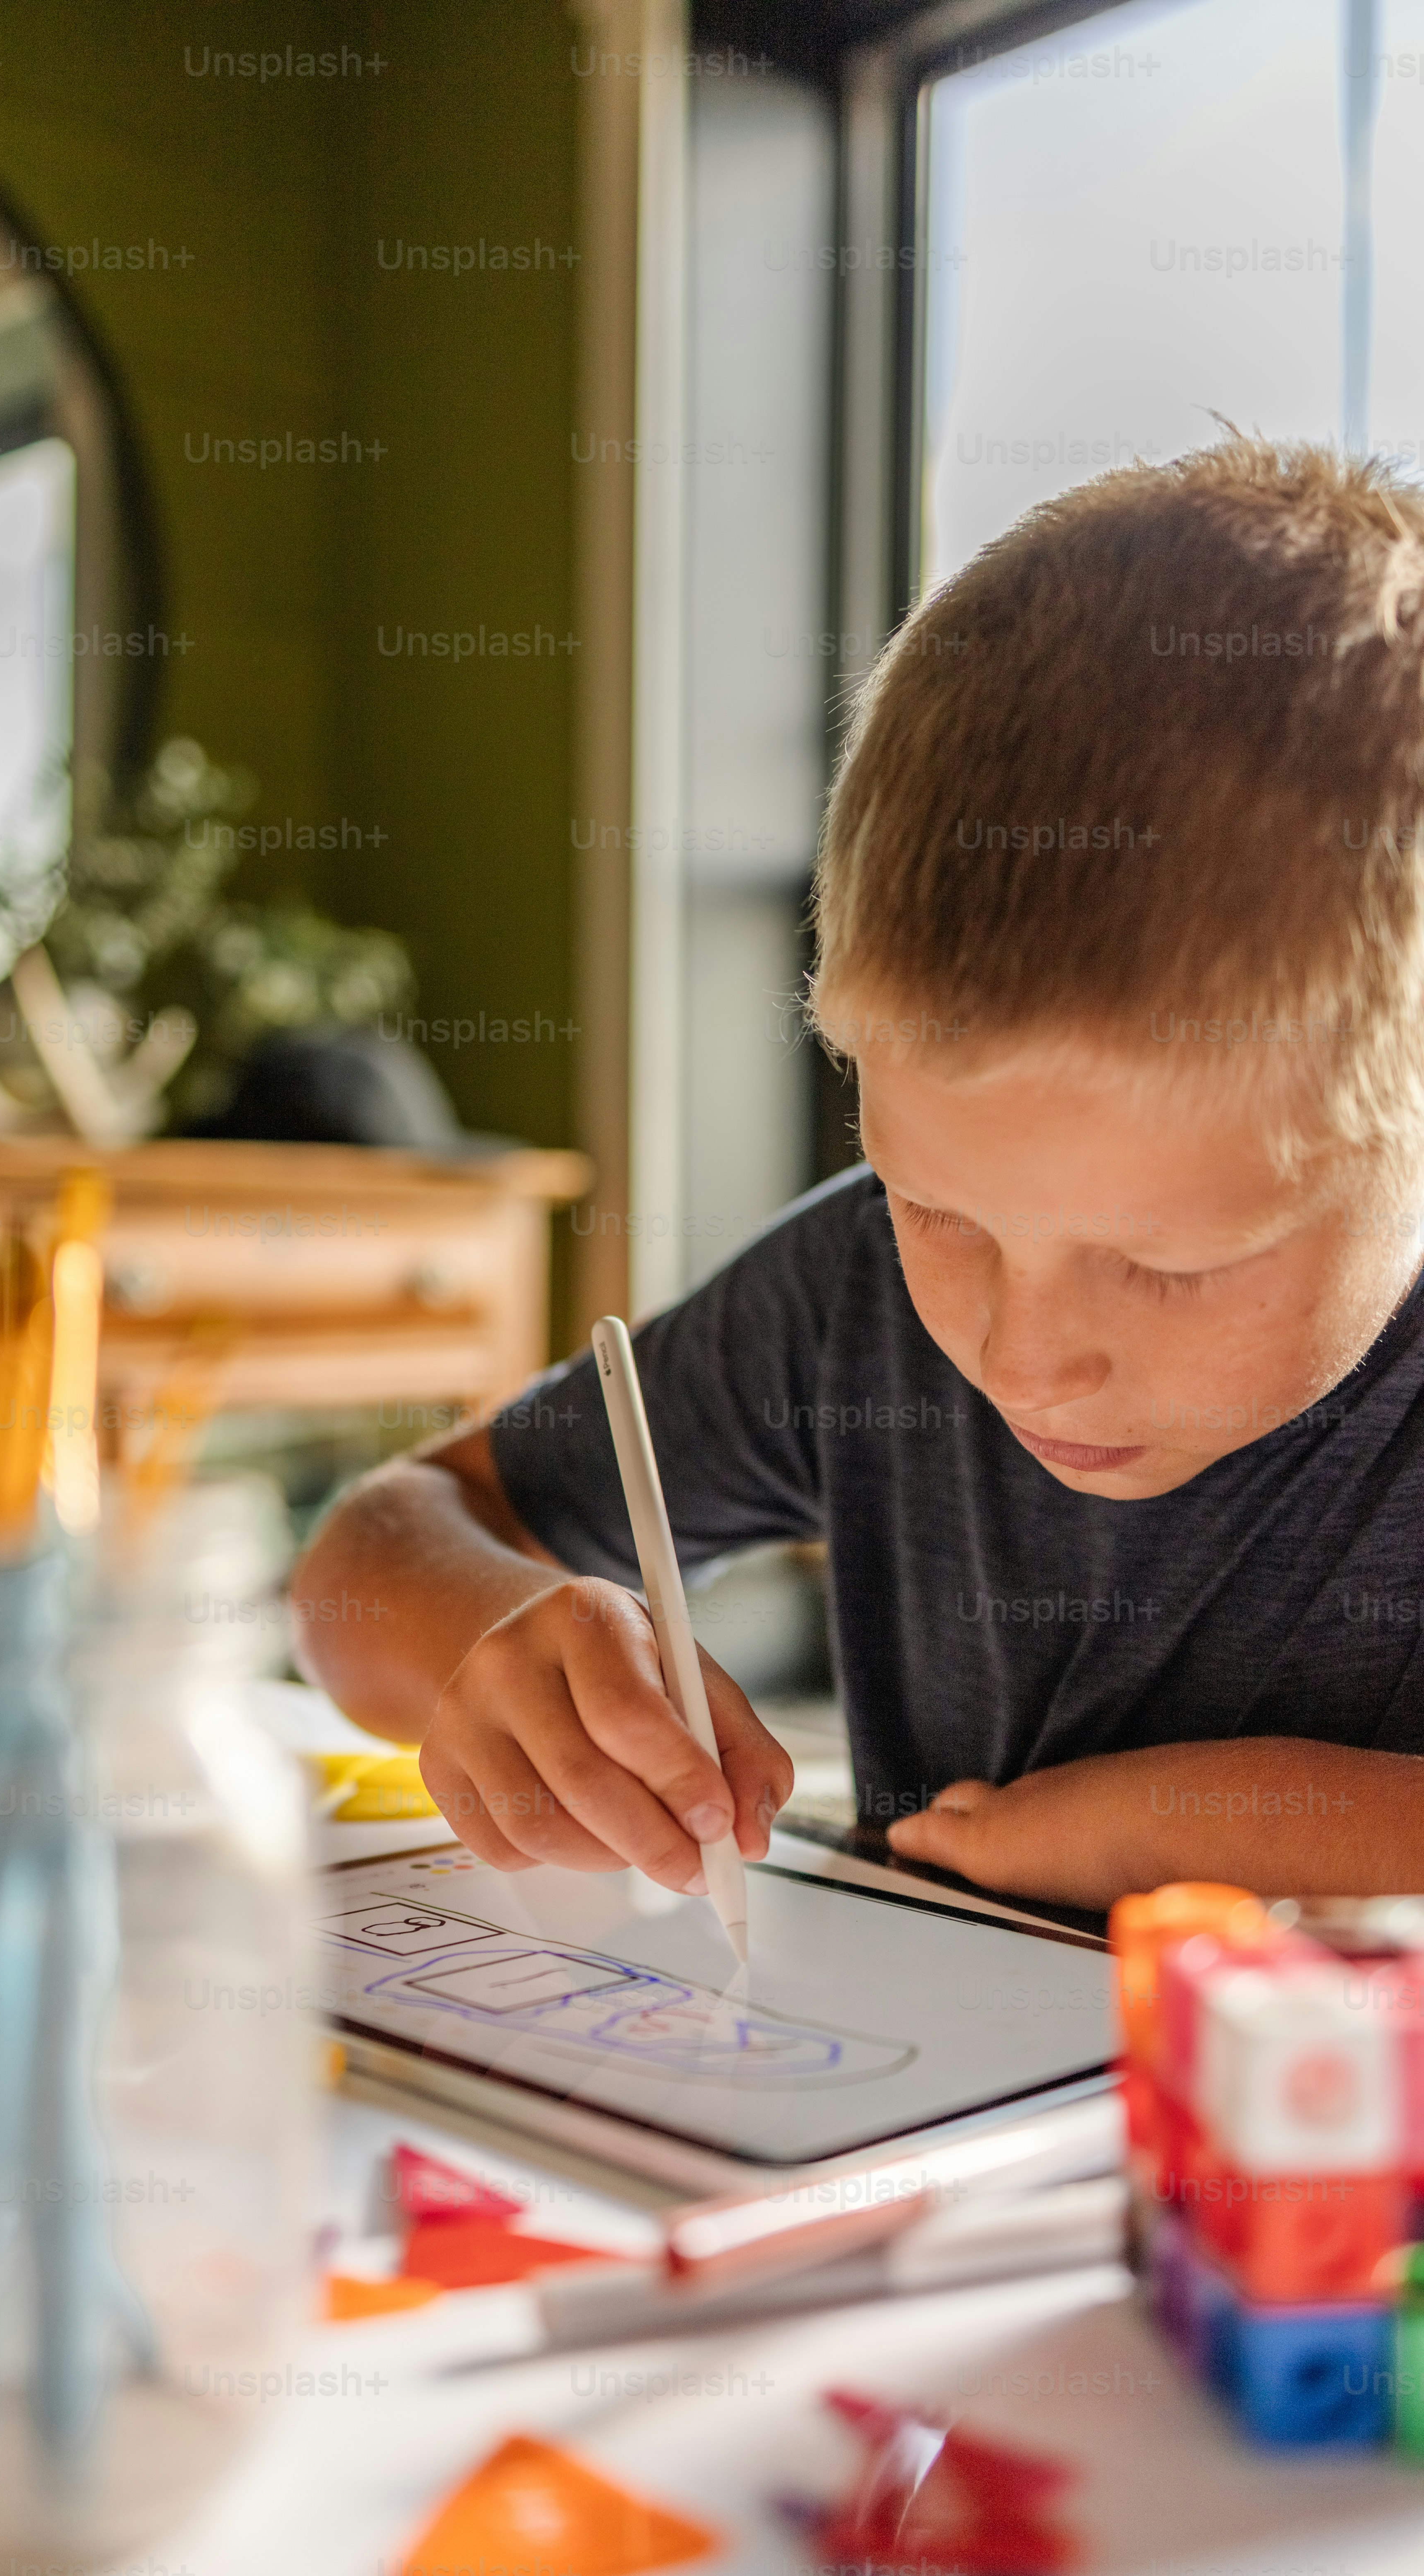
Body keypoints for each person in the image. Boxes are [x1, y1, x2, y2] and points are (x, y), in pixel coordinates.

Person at [293, 437, 1424, 1909]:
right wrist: (504, 1650)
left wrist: (1172, 1832)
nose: (1025, 1358)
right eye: (935, 1207)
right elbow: (366, 1560)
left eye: (1171, 1265)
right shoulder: (854, 1301)